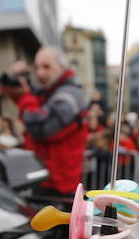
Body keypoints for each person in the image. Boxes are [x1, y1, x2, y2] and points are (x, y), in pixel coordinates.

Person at [11, 46, 88, 197]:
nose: (40, 73)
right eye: (36, 67)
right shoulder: (49, 92)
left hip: (60, 186)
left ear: (61, 67)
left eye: (46, 67)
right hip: (46, 179)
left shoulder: (68, 97)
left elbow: (41, 128)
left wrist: (24, 97)